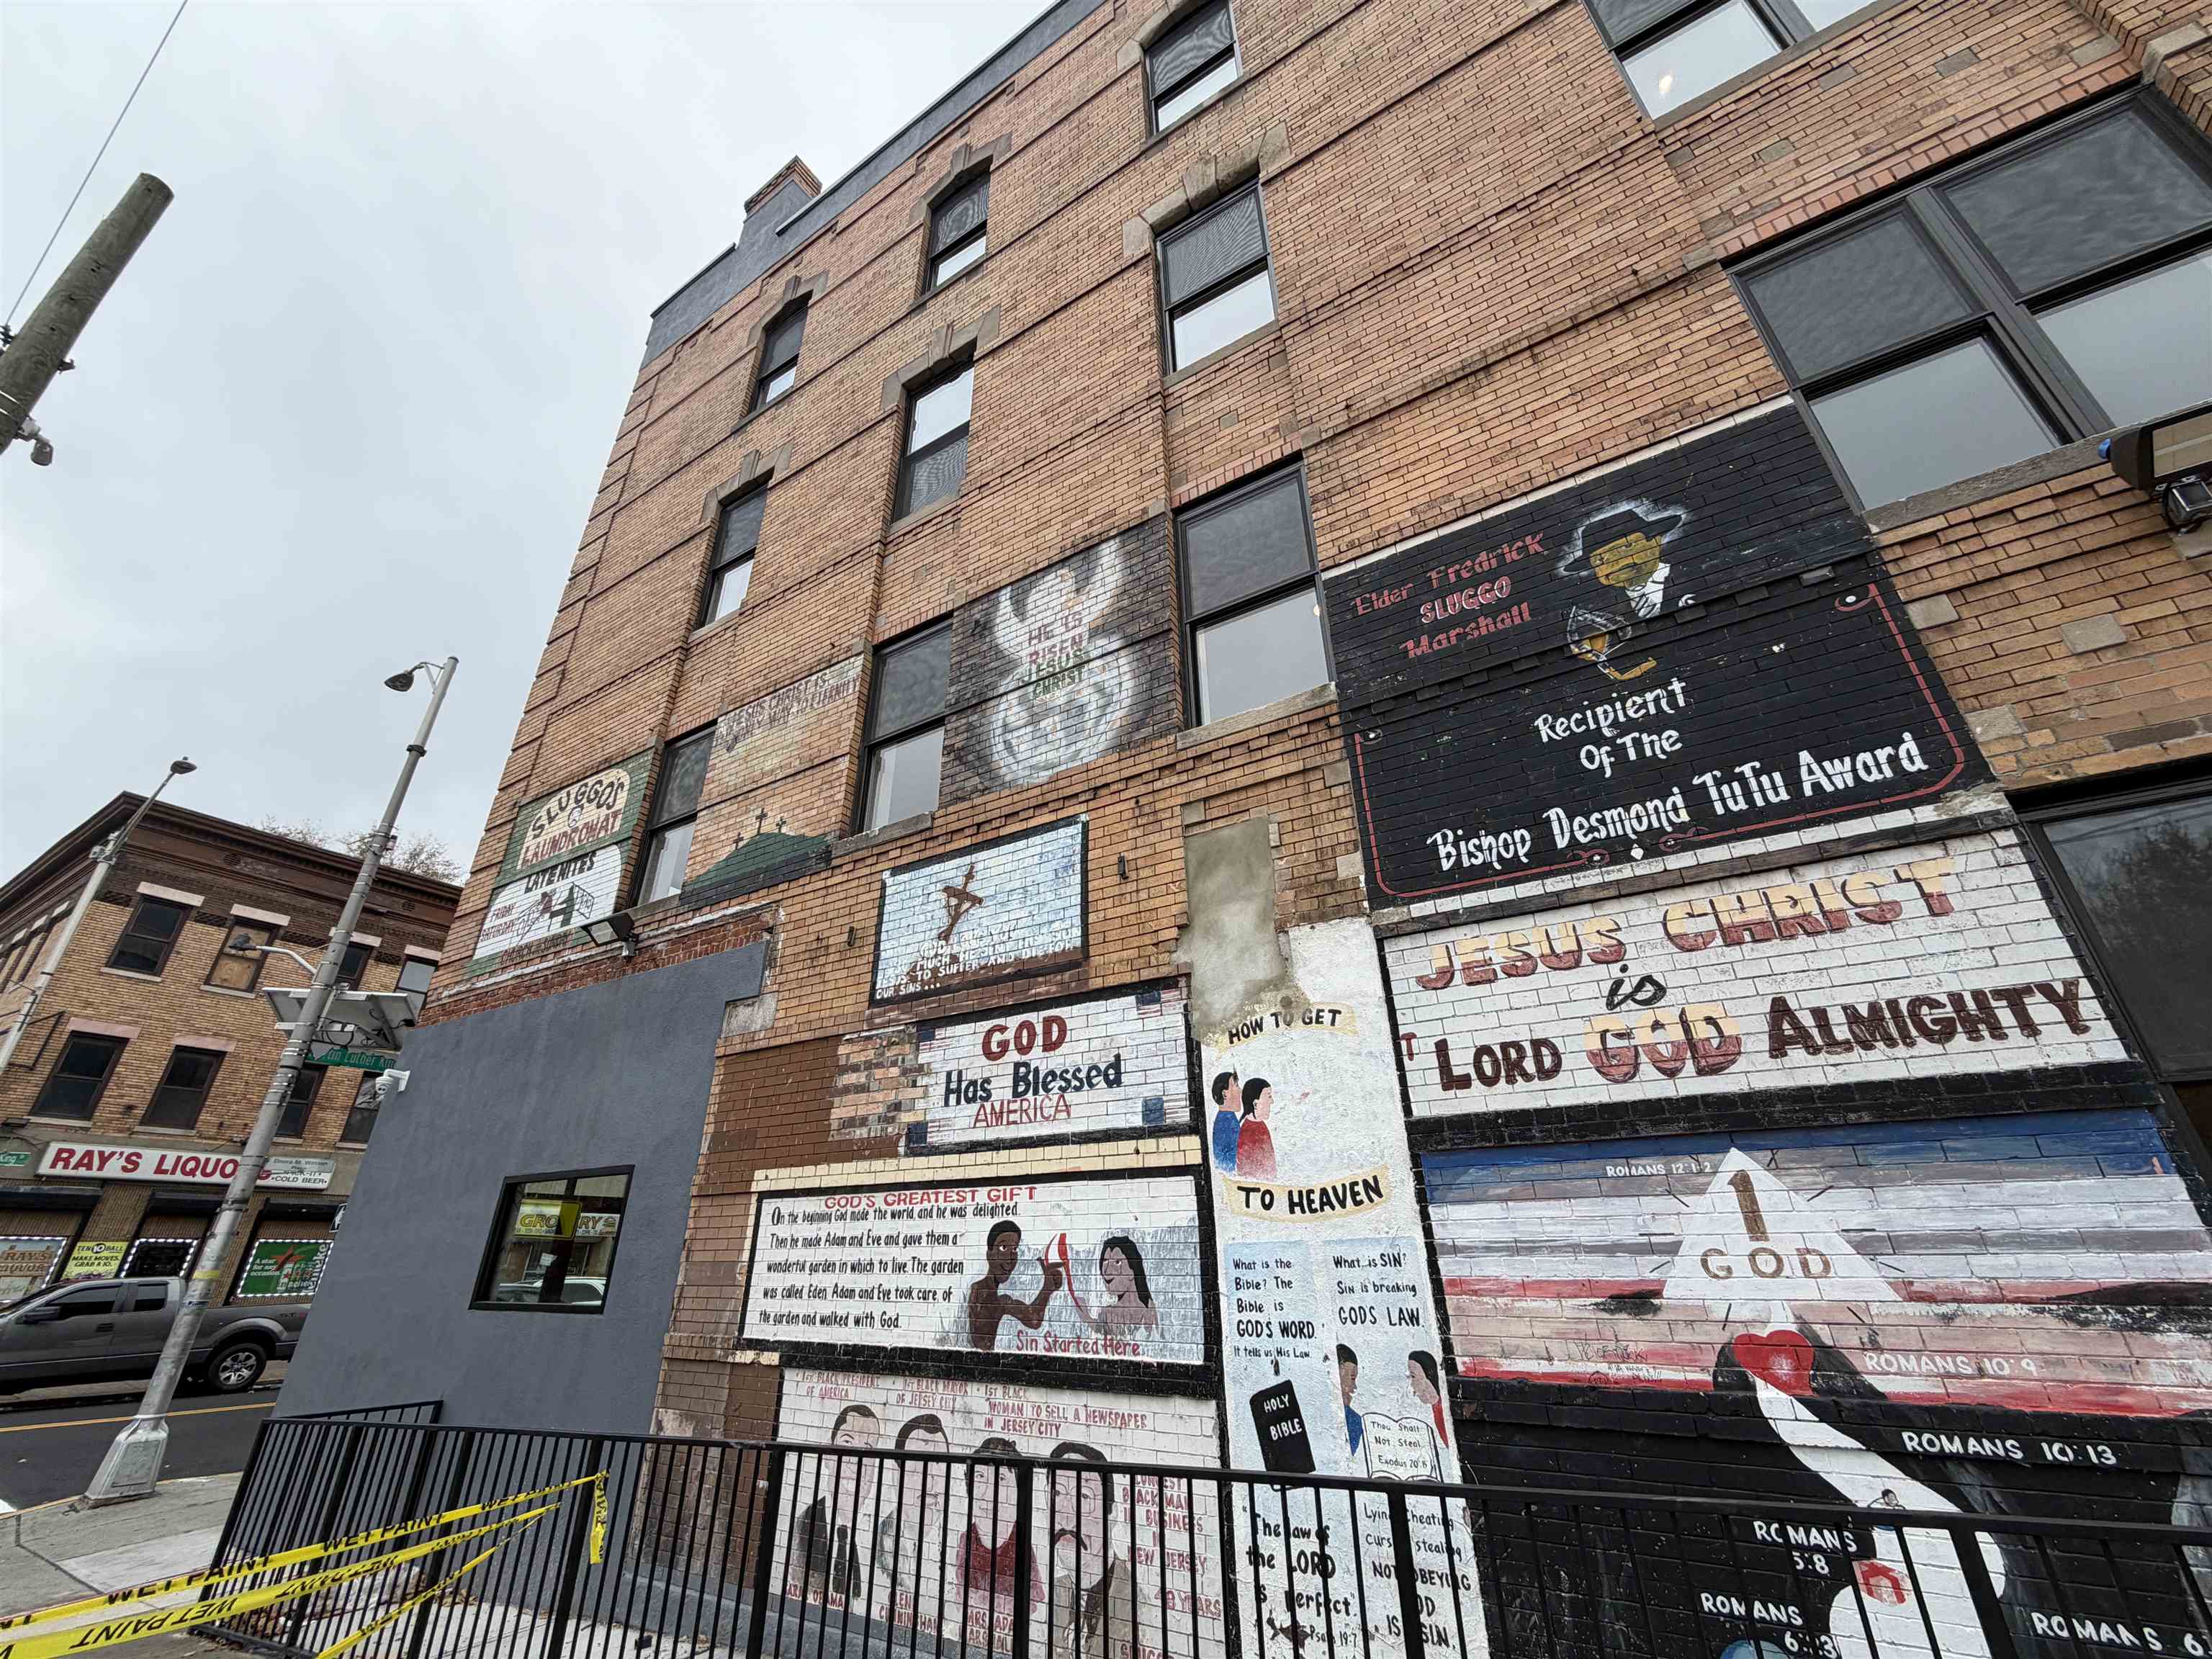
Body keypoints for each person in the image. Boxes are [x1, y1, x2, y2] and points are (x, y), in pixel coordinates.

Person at [1047, 1442, 1134, 1659]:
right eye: (1056, 1493)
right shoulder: (1057, 1593)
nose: (1066, 1516)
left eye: (1084, 1497)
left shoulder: (1136, 1603)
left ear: (1112, 1514)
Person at [791, 1404, 880, 1604]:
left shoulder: (882, 1537)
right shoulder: (803, 1525)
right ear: (829, 1454)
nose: (855, 1461)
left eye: (868, 1449)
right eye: (847, 1444)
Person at [876, 1414, 952, 1633]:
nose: (930, 1479)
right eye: (918, 1463)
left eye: (940, 1463)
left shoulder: (959, 1545)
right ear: (896, 1474)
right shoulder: (875, 1537)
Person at [962, 1437, 1040, 1635]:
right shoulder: (965, 1541)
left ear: (1017, 1490)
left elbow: (1034, 1605)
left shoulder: (1022, 1546)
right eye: (980, 1477)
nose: (988, 1493)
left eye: (1001, 1479)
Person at [966, 1220, 1065, 1350]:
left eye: (1014, 1249)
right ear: (989, 1255)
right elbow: (1034, 1320)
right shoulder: (987, 1295)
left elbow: (1034, 1320)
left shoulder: (996, 1297)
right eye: (1003, 1248)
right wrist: (1047, 1288)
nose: (1010, 1258)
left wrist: (1048, 1288)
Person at [1074, 1236, 1159, 1346]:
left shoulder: (1149, 1311)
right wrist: (1086, 1317)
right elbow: (1103, 1331)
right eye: (1105, 1262)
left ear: (1132, 1270)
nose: (1107, 1271)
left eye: (1117, 1262)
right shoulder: (1107, 1313)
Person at [1236, 1078, 1278, 1182]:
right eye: (1269, 1096)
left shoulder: (1260, 1125)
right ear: (1255, 1104)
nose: (1272, 1101)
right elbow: (1250, 1174)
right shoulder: (1248, 1134)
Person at [1408, 1351, 1448, 1442]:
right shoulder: (1435, 1407)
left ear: (1428, 1376)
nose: (1411, 1384)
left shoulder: (1445, 1408)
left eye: (1413, 1376)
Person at [1209, 1071, 1241, 1170]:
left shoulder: (1227, 1117)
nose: (1240, 1090)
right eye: (1236, 1086)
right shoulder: (1227, 1122)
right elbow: (1228, 1167)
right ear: (1225, 1094)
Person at [1337, 1344, 1364, 1460]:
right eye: (1352, 1378)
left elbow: (1347, 1454)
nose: (1355, 1387)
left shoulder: (1355, 1420)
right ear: (1340, 1370)